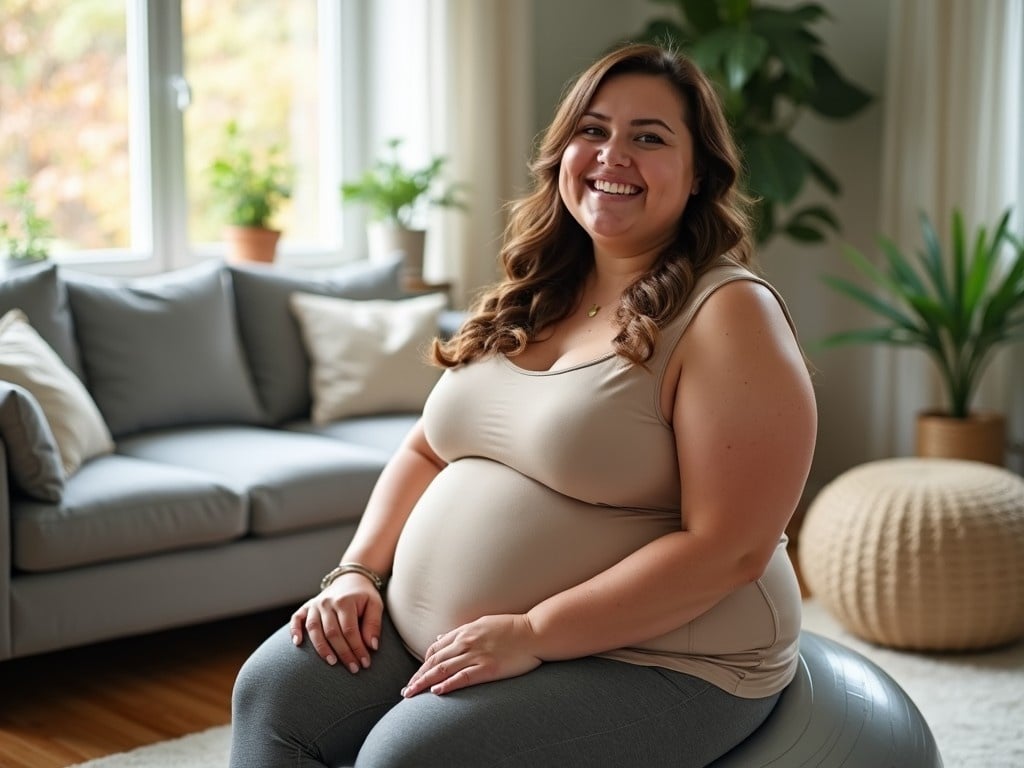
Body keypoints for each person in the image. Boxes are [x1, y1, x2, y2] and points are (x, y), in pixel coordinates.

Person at [229, 42, 817, 768]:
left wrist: (534, 632)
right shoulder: (538, 290)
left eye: (650, 137)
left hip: (661, 655)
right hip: (457, 635)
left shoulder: (728, 314)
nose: (612, 155)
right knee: (273, 693)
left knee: (410, 758)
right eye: (592, 131)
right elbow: (425, 448)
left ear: (699, 175)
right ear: (561, 153)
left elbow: (730, 547)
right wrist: (355, 572)